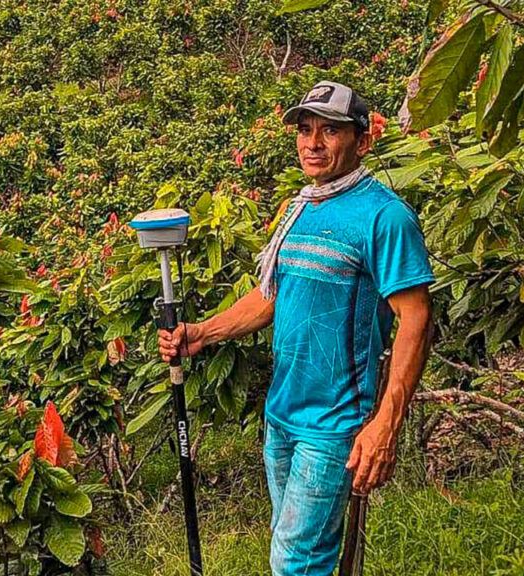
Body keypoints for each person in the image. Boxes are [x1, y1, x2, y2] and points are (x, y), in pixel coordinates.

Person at [158, 80, 435, 576]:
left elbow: (415, 319)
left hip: (333, 424)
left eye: (330, 131)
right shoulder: (300, 207)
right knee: (296, 552)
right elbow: (272, 295)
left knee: (295, 562)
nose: (313, 143)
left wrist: (385, 425)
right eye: (305, 130)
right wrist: (204, 333)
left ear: (363, 140)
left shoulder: (384, 217)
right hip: (282, 413)